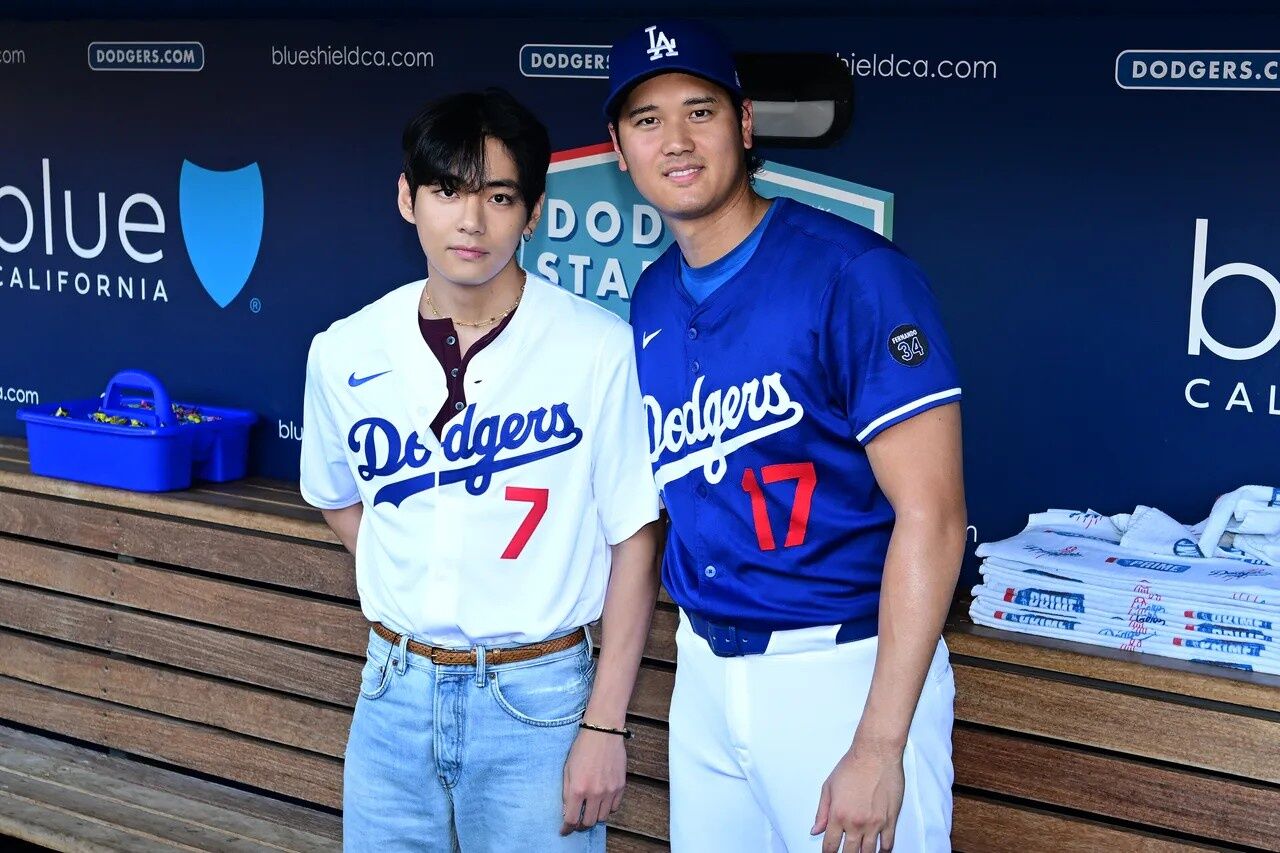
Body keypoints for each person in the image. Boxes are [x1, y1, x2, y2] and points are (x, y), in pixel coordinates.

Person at [605, 21, 966, 853]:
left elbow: (936, 517)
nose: (676, 139)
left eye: (700, 110)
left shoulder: (856, 274)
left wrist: (879, 744)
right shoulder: (653, 295)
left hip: (840, 668)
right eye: (648, 120)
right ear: (621, 151)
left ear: (744, 124)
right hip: (704, 666)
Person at [300, 88, 660, 852]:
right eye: (447, 191)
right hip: (393, 689)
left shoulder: (598, 347)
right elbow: (335, 496)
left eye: (498, 196)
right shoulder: (343, 349)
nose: (471, 220)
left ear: (532, 213)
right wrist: (409, 566)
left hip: (539, 698)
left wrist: (605, 723)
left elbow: (635, 537)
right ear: (408, 198)